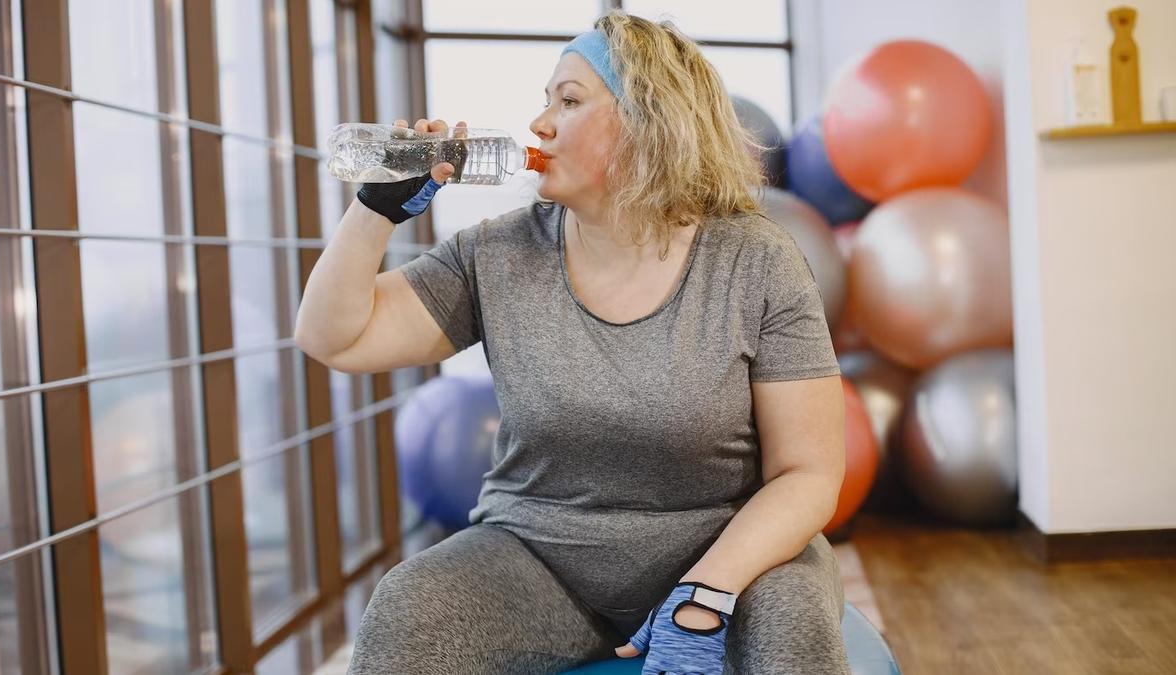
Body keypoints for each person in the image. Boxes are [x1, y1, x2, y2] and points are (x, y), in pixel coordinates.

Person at [295, 10, 850, 675]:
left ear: (651, 120)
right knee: (409, 608)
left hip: (731, 554)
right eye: (544, 100)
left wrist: (705, 593)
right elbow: (333, 336)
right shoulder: (497, 251)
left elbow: (809, 472)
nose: (539, 123)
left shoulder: (756, 261)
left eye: (569, 100)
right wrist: (374, 210)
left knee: (794, 629)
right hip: (540, 561)